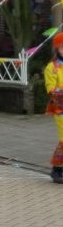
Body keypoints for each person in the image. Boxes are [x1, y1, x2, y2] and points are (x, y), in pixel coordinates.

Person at [44, 32, 63, 184]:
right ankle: (57, 169)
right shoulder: (52, 67)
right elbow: (51, 88)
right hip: (60, 108)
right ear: (57, 48)